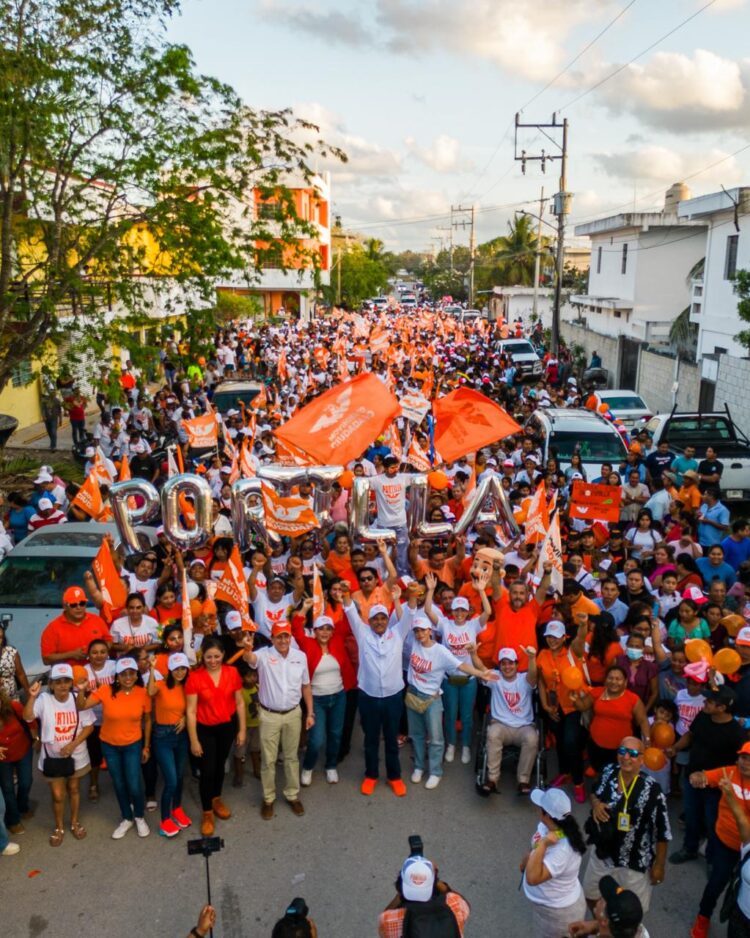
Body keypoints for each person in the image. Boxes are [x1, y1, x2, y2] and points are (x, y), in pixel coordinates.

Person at [405, 613, 496, 791]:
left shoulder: (440, 651)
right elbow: (404, 617)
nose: (419, 634)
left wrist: (480, 673)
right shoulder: (414, 643)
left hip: (431, 698)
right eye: (416, 631)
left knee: (436, 738)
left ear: (430, 631)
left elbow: (461, 665)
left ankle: (435, 772)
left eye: (423, 630)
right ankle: (418, 767)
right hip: (413, 694)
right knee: (416, 735)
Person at [584, 737, 670, 913]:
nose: (626, 757)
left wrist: (659, 866)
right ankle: (602, 924)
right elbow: (594, 792)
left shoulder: (653, 791)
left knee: (633, 910)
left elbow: (663, 833)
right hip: (603, 853)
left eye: (633, 754)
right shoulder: (609, 772)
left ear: (641, 760)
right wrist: (596, 805)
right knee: (591, 895)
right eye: (622, 752)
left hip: (633, 860)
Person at [341, 592, 411, 797]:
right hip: (368, 696)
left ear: (387, 620)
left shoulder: (398, 633)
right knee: (370, 739)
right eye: (375, 619)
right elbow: (350, 612)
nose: (379, 622)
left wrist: (413, 594)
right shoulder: (362, 633)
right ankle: (371, 775)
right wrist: (346, 593)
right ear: (369, 621)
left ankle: (394, 776)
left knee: (391, 738)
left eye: (382, 618)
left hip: (393, 697)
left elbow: (410, 613)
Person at [75, 656, 152, 839]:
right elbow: (82, 706)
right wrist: (81, 690)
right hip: (109, 745)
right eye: (123, 674)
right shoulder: (105, 690)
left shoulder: (143, 693)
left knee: (134, 783)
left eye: (131, 673)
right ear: (116, 676)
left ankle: (139, 816)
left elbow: (148, 720)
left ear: (136, 674)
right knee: (119, 783)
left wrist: (146, 746)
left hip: (133, 744)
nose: (127, 677)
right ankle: (127, 817)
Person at [242, 622, 312, 819]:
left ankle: (292, 795)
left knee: (291, 757)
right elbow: (249, 658)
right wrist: (247, 648)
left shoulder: (300, 657)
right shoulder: (263, 655)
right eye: (278, 636)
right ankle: (268, 798)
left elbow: (306, 687)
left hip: (293, 713)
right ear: (272, 638)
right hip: (269, 715)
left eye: (286, 636)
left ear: (291, 638)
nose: (283, 640)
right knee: (269, 760)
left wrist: (311, 713)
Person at [25, 665, 96, 846]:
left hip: (77, 755)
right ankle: (59, 827)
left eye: (66, 681)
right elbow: (27, 717)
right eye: (58, 681)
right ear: (51, 684)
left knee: (74, 789)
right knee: (57, 795)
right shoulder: (44, 700)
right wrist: (32, 697)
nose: (63, 685)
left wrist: (72, 745)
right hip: (52, 757)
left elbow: (89, 726)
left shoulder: (77, 700)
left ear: (71, 683)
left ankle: (73, 822)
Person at [687, 742, 750, 938]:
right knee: (716, 883)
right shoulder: (728, 773)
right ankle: (703, 917)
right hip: (725, 844)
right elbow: (701, 776)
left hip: (748, 851)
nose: (745, 763)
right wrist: (697, 777)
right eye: (743, 757)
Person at [291, 600, 356, 787]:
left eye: (329, 628)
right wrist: (304, 608)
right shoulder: (308, 644)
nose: (325, 632)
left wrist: (344, 598)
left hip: (339, 697)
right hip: (317, 700)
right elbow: (296, 629)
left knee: (336, 734)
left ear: (333, 631)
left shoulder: (338, 640)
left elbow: (348, 620)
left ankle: (331, 765)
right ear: (315, 631)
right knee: (317, 739)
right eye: (321, 628)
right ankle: (308, 767)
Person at [185, 636, 245, 834]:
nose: (213, 661)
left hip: (226, 727)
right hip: (205, 729)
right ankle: (207, 811)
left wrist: (242, 729)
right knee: (208, 770)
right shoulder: (195, 678)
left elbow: (239, 703)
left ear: (223, 655)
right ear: (203, 656)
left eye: (217, 656)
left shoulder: (232, 672)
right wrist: (194, 740)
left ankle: (216, 798)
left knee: (220, 766)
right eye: (209, 657)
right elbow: (191, 711)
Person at [521, 787, 587, 938]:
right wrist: (526, 860)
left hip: (559, 917)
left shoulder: (562, 850)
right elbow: (534, 846)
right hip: (547, 908)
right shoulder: (548, 826)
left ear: (548, 815)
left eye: (540, 808)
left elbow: (533, 878)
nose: (537, 809)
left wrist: (543, 845)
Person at [480, 646, 539, 795]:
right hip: (501, 725)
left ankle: (523, 781)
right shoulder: (496, 677)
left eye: (511, 663)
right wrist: (473, 654)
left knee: (532, 738)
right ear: (499, 666)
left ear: (517, 664)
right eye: (503, 663)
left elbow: (533, 675)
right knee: (493, 734)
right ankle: (492, 780)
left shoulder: (524, 679)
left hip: (523, 727)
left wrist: (532, 658)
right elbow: (480, 668)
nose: (507, 667)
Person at [147, 651, 192, 838]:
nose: (180, 672)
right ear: (170, 670)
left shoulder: (188, 687)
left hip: (181, 736)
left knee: (180, 776)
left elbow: (192, 708)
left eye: (183, 668)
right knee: (171, 780)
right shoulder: (161, 685)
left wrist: (185, 718)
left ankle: (177, 809)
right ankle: (165, 820)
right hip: (162, 737)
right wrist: (151, 668)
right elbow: (150, 692)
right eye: (176, 669)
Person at [378, 850, 470, 937]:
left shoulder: (389, 919)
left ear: (400, 886)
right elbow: (464, 903)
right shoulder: (455, 904)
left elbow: (383, 928)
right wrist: (436, 880)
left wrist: (401, 893)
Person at [575, 667, 650, 773]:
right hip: (596, 745)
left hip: (622, 751)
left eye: (618, 679)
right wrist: (575, 700)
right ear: (605, 680)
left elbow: (643, 720)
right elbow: (582, 706)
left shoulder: (633, 699)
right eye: (610, 678)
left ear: (625, 682)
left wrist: (647, 742)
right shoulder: (597, 693)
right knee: (600, 773)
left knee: (618, 776)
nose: (614, 681)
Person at [40, 586, 112, 667]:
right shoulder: (52, 628)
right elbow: (46, 659)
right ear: (65, 606)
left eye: (82, 603)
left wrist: (96, 652)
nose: (79, 608)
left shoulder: (97, 620)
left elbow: (108, 641)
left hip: (97, 673)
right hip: (68, 676)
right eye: (73, 605)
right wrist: (71, 655)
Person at [0, 688, 35, 835]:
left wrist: (36, 738)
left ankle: (22, 806)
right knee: (7, 788)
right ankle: (13, 820)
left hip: (23, 749)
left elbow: (30, 720)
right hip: (2, 759)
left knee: (26, 781)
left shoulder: (14, 706)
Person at [568, 874, 650, 937]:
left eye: (603, 899)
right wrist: (595, 926)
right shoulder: (639, 931)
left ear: (605, 921)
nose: (600, 898)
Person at [0, 619, 29, 700]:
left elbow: (21, 675)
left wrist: (29, 694)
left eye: (0, 637)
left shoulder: (11, 652)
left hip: (11, 700)